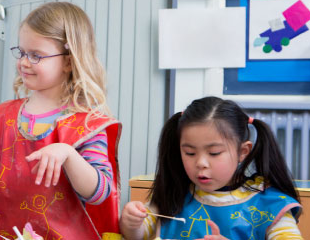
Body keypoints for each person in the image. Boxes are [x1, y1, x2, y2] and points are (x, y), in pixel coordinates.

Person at [0, 2, 121, 239]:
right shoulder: (3, 116)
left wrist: (68, 155)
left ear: (69, 61)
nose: (23, 62)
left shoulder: (87, 124)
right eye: (21, 52)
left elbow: (99, 191)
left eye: (36, 55)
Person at [120, 96, 302, 240]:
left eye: (214, 153)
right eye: (190, 153)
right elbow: (139, 235)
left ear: (242, 151)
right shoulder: (174, 194)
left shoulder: (269, 204)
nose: (201, 163)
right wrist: (132, 224)